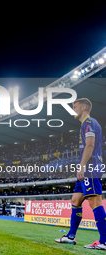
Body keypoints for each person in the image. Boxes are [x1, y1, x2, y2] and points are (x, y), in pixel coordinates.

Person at [55, 98, 106, 250]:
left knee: (94, 201)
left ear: (83, 107)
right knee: (76, 200)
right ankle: (70, 236)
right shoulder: (85, 124)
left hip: (91, 166)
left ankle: (104, 240)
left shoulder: (89, 122)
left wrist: (82, 166)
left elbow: (90, 145)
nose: (73, 109)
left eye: (74, 106)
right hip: (87, 167)